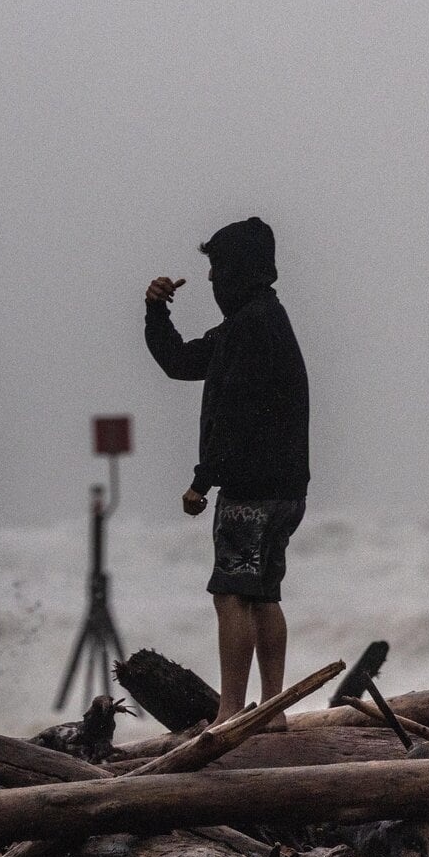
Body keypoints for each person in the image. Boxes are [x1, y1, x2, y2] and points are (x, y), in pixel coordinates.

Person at [144, 216, 310, 724]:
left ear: (237, 270)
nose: (212, 279)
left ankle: (232, 711)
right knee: (264, 593)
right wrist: (156, 312)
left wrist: (201, 480)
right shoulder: (263, 320)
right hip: (288, 487)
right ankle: (274, 707)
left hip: (250, 488)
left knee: (232, 594)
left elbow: (233, 415)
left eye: (217, 267)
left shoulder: (248, 328)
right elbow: (180, 361)